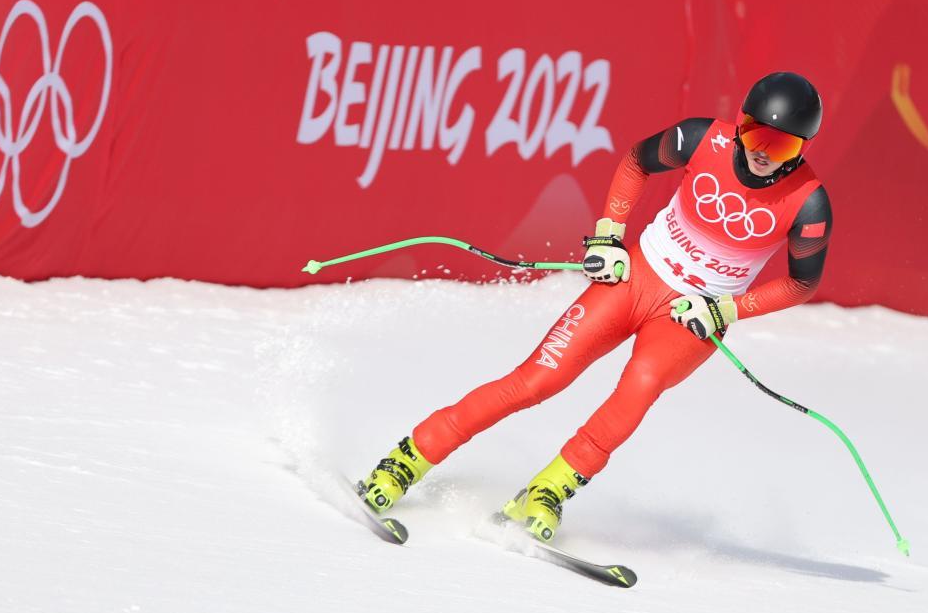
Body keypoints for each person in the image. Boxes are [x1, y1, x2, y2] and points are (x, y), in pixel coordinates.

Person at [356, 72, 833, 543]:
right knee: (539, 379)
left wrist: (725, 310)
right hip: (636, 278)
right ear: (739, 124)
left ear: (803, 149)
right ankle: (407, 459)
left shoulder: (809, 205)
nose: (763, 152)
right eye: (755, 134)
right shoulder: (700, 138)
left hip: (692, 314)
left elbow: (800, 285)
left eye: (784, 146)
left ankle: (547, 491)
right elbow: (634, 163)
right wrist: (609, 233)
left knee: (639, 388)